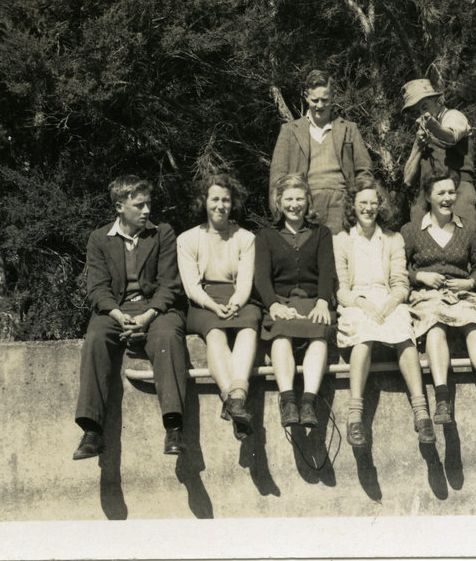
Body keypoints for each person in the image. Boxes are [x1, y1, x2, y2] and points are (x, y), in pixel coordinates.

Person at [73, 175, 189, 460]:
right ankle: (92, 431)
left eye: (149, 203)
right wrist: (116, 313)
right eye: (139, 205)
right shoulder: (99, 239)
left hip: (155, 309)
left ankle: (173, 428)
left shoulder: (162, 233)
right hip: (115, 310)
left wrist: (148, 315)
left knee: (167, 336)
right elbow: (97, 288)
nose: (147, 210)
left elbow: (169, 285)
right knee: (97, 337)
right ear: (119, 207)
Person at [334, 174, 435, 447]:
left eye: (373, 203)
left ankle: (422, 413)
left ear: (380, 206)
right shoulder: (342, 240)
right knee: (364, 336)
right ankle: (355, 415)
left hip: (389, 302)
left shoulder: (392, 239)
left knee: (404, 331)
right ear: (353, 206)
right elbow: (341, 289)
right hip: (357, 304)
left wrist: (389, 304)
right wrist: (363, 304)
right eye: (362, 203)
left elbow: (401, 284)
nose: (368, 208)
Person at [401, 169, 476, 424]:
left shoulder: (468, 229)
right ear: (428, 196)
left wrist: (469, 282)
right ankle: (442, 399)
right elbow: (398, 269)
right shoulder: (412, 230)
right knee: (435, 326)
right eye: (441, 193)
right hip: (427, 297)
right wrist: (420, 277)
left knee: (474, 324)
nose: (447, 198)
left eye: (451, 192)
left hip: (461, 296)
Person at [177, 172, 262, 440]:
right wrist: (214, 307)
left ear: (232, 203)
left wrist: (235, 303)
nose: (220, 206)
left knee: (249, 328)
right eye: (214, 199)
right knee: (216, 334)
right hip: (204, 301)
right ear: (205, 202)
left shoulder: (246, 238)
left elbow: (246, 281)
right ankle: (234, 398)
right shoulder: (188, 239)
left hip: (239, 298)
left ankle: (235, 400)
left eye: (226, 200)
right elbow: (191, 287)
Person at [254, 173, 337, 429]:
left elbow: (327, 271)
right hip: (280, 301)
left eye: (299, 199)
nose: (294, 204)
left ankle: (309, 402)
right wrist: (274, 305)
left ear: (308, 201)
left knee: (319, 334)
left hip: (313, 300)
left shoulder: (321, 233)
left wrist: (323, 302)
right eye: (288, 199)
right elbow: (261, 277)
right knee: (281, 334)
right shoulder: (266, 236)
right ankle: (288, 401)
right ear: (279, 202)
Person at [269, 69, 373, 235]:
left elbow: (364, 171)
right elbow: (277, 178)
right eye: (315, 100)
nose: (319, 105)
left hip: (342, 207)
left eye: (325, 100)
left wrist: (359, 204)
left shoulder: (348, 129)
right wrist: (280, 215)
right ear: (306, 96)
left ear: (332, 96)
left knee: (337, 256)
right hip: (304, 205)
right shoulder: (290, 131)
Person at [402, 78, 476, 231]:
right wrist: (418, 145)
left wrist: (433, 126)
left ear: (438, 100)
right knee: (418, 228)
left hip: (458, 190)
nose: (421, 114)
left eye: (424, 107)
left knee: (465, 233)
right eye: (417, 111)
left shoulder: (453, 116)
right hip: (428, 195)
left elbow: (450, 137)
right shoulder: (422, 133)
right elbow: (407, 179)